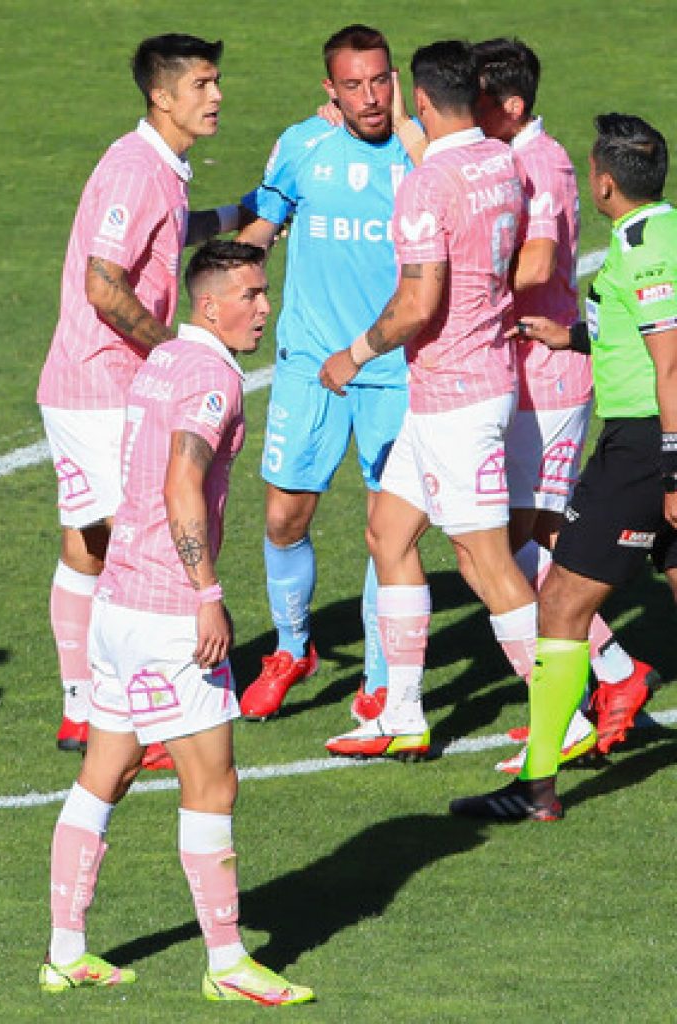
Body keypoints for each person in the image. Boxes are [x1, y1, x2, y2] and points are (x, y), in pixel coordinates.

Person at [39, 240, 313, 1005]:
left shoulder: (159, 361)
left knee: (108, 770)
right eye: (252, 295)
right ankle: (227, 964)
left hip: (116, 605)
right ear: (209, 303)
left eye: (265, 293)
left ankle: (66, 950)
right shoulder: (211, 377)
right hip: (165, 611)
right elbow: (181, 480)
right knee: (213, 783)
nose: (265, 307)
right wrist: (205, 590)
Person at [452, 113, 677, 821]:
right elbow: (643, 337)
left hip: (647, 446)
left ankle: (539, 786)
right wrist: (572, 336)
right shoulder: (660, 233)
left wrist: (672, 472)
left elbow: (670, 363)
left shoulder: (645, 247)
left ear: (603, 181)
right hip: (651, 439)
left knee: (561, 604)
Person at [320, 41, 538, 761]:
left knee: (484, 561)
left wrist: (352, 355)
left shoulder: (424, 185)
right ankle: (403, 713)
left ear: (417, 99)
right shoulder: (502, 162)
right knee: (388, 532)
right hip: (468, 383)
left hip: (456, 397)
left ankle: (563, 716)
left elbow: (417, 303)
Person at [37, 34, 240, 761]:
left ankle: (83, 707)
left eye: (218, 82)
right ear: (163, 94)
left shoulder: (164, 166)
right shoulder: (134, 169)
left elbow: (168, 233)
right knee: (138, 543)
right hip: (99, 380)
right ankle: (132, 709)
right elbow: (103, 283)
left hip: (92, 381)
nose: (216, 96)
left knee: (93, 539)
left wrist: (239, 215)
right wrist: (173, 350)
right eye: (203, 84)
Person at [236, 24, 410, 723]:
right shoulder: (301, 145)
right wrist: (230, 294)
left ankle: (376, 676)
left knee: (386, 530)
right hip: (310, 362)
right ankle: (291, 646)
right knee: (284, 515)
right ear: (329, 91)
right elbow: (263, 224)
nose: (370, 98)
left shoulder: (422, 151)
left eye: (381, 80)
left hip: (394, 368)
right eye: (354, 85)